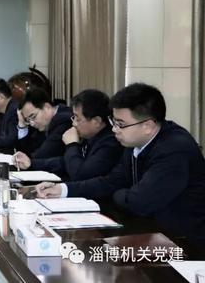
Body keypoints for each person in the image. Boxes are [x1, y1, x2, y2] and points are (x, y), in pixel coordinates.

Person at [37, 83, 205, 242]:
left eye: (120, 124)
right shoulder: (135, 142)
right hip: (150, 232)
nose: (114, 129)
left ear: (147, 126)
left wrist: (119, 193)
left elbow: (138, 202)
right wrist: (63, 189)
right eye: (113, 122)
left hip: (185, 243)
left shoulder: (174, 150)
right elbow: (112, 181)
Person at [13, 89, 122, 180]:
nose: (74, 123)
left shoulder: (110, 142)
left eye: (77, 119)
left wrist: (72, 145)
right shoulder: (90, 135)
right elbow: (65, 162)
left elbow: (80, 174)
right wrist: (31, 164)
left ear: (97, 121)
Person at [16, 88, 72, 158]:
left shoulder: (64, 120)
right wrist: (22, 124)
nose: (32, 124)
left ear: (47, 107)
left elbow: (42, 155)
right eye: (28, 120)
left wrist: (26, 160)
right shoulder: (44, 124)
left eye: (33, 117)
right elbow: (27, 151)